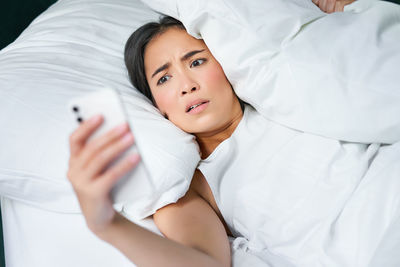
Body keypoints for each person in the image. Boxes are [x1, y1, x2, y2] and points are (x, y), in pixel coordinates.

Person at [67, 1, 399, 266]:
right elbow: (203, 262)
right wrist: (107, 224)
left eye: (196, 62)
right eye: (164, 79)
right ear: (157, 106)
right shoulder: (192, 186)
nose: (188, 85)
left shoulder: (286, 97)